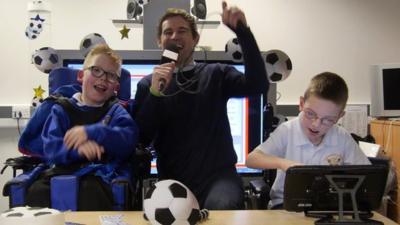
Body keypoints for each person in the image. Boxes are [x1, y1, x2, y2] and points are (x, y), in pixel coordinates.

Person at [134, 2, 268, 210]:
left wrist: (243, 32)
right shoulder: (148, 85)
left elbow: (258, 84)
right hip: (172, 183)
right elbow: (142, 137)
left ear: (195, 39)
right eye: (167, 32)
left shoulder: (216, 74)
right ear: (159, 41)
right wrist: (156, 93)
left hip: (218, 179)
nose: (174, 36)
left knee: (221, 209)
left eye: (182, 31)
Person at [26, 44, 138, 210]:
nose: (103, 78)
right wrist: (78, 150)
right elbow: (51, 148)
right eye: (96, 70)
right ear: (80, 76)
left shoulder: (116, 111)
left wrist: (94, 132)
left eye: (111, 76)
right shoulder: (60, 109)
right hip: (60, 172)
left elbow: (129, 138)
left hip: (99, 176)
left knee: (91, 191)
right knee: (37, 192)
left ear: (116, 87)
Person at [245, 72, 371, 209]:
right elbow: (251, 159)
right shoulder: (287, 131)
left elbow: (368, 175)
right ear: (301, 104)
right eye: (310, 114)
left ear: (340, 116)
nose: (316, 124)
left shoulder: (341, 136)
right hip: (286, 205)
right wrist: (284, 164)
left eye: (328, 120)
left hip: (328, 207)